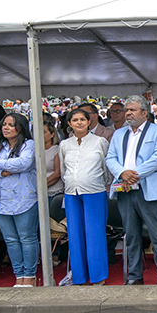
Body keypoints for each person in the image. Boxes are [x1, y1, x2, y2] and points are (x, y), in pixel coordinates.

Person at [105, 95, 157, 285]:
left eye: (132, 110)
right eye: (126, 110)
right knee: (131, 235)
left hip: (148, 188)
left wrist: (134, 174)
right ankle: (134, 276)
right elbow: (110, 158)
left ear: (145, 113)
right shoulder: (119, 134)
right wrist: (122, 173)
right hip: (125, 189)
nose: (128, 113)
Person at [0, 113, 39, 287]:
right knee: (11, 239)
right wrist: (2, 170)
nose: (6, 127)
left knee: (27, 238)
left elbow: (24, 163)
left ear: (20, 127)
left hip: (24, 197)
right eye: (4, 124)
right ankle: (18, 275)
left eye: (11, 124)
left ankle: (29, 276)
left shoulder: (29, 145)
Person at [60, 108, 110, 285]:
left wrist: (102, 185)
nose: (79, 122)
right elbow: (63, 170)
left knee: (95, 234)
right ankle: (79, 277)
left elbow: (106, 169)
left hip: (95, 191)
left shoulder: (100, 142)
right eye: (75, 120)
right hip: (71, 192)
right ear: (69, 124)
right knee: (74, 235)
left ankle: (98, 277)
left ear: (89, 122)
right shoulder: (65, 145)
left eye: (83, 119)